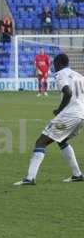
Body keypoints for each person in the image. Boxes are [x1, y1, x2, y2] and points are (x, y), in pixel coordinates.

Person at [14, 54, 84, 185]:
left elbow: (68, 92)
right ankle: (77, 175)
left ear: (58, 63)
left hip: (70, 114)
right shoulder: (79, 76)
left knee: (41, 142)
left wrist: (59, 110)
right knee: (62, 140)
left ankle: (30, 178)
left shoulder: (60, 74)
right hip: (81, 115)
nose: (53, 66)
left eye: (54, 64)